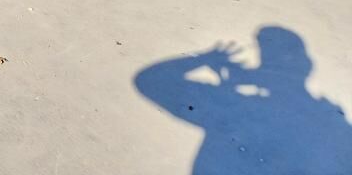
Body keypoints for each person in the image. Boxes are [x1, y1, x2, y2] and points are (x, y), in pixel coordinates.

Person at [135, 27, 352, 174]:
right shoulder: (332, 123)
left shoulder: (233, 106)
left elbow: (149, 80)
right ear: (306, 67)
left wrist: (206, 58)